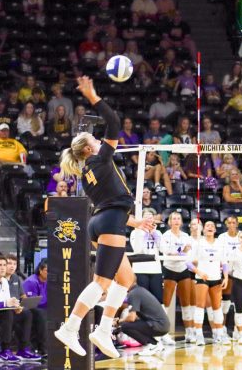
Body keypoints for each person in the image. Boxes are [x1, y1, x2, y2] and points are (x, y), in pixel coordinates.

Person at [54, 76, 155, 359]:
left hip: (105, 221)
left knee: (125, 279)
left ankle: (102, 329)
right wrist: (93, 96)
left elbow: (113, 205)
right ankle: (70, 327)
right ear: (88, 149)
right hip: (108, 222)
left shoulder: (87, 175)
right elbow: (113, 122)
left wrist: (135, 222)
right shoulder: (99, 160)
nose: (100, 141)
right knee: (102, 283)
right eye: (95, 140)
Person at [188, 221, 230, 345]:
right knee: (200, 306)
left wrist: (226, 277)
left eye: (212, 226)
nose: (210, 227)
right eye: (207, 226)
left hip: (216, 278)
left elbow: (225, 262)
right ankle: (199, 334)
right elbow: (188, 262)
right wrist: (199, 272)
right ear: (203, 230)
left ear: (215, 230)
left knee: (217, 308)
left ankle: (219, 334)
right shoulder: (198, 243)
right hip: (203, 278)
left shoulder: (220, 244)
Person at [159, 212, 192, 345]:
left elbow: (188, 251)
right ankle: (164, 333)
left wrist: (182, 252)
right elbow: (167, 251)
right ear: (170, 222)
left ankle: (190, 333)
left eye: (179, 218)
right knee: (166, 303)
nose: (176, 221)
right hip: (170, 269)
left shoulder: (185, 236)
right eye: (174, 218)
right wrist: (182, 251)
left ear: (181, 222)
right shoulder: (166, 235)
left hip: (183, 269)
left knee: (186, 303)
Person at [4, 254, 42, 361]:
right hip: (5, 311)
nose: (12, 266)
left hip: (17, 309)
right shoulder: (0, 279)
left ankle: (24, 349)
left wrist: (26, 303)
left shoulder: (16, 277)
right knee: (19, 315)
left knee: (29, 313)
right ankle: (6, 350)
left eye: (15, 264)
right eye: (9, 263)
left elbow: (22, 295)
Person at [120, 281, 171, 356]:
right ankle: (155, 345)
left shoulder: (133, 294)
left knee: (125, 326)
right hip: (163, 325)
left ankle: (152, 345)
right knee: (130, 325)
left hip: (158, 325)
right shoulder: (140, 291)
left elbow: (132, 318)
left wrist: (119, 321)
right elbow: (137, 316)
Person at [0, 123, 27, 196]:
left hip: (13, 163)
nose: (4, 132)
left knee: (26, 166)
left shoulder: (15, 142)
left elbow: (23, 152)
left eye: (6, 131)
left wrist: (23, 161)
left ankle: (23, 188)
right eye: (2, 131)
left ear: (9, 132)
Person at [129, 208, 163, 303]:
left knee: (157, 299)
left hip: (155, 269)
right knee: (142, 299)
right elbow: (138, 249)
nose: (148, 220)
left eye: (150, 217)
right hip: (140, 269)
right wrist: (146, 234)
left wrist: (154, 234)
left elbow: (163, 249)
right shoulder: (135, 232)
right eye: (146, 217)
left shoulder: (158, 233)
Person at [23, 259, 48, 356]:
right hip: (31, 309)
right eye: (47, 270)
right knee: (41, 314)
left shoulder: (49, 281)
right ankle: (43, 349)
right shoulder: (31, 281)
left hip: (44, 308)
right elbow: (31, 302)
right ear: (40, 270)